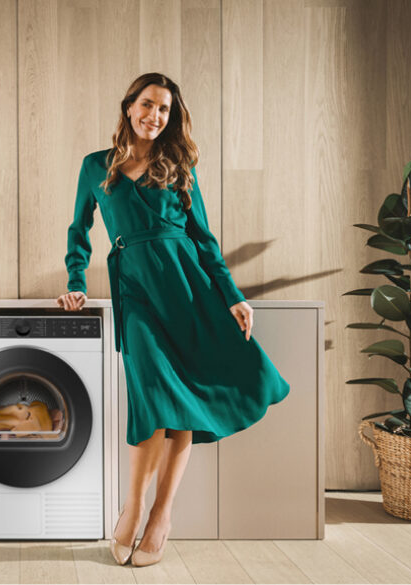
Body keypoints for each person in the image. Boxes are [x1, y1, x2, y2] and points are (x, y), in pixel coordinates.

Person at [56, 72, 291, 567]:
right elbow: (79, 232)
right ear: (128, 106)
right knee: (151, 399)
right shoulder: (96, 167)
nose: (153, 116)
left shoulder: (178, 167)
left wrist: (232, 295)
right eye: (146, 105)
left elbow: (203, 239)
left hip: (190, 294)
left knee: (179, 404)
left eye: (163, 110)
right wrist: (76, 282)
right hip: (136, 295)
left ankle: (161, 515)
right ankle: (134, 506)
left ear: (170, 117)